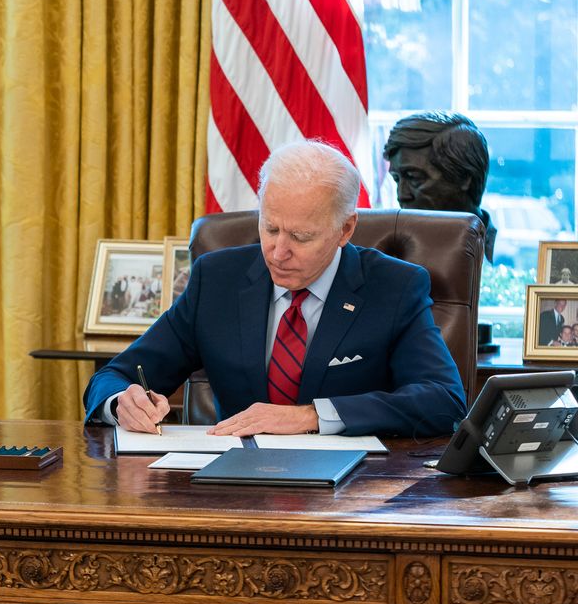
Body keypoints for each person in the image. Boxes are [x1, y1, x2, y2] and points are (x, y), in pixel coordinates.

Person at [84, 140, 466, 438]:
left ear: (345, 230)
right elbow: (114, 376)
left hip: (350, 496)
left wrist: (311, 416)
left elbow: (443, 401)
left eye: (301, 236)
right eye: (270, 228)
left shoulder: (394, 287)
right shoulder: (217, 279)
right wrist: (122, 403)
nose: (278, 251)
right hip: (234, 490)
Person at [382, 111, 496, 262]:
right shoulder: (390, 252)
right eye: (397, 179)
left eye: (415, 178)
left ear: (463, 177)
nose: (402, 195)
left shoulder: (507, 253)